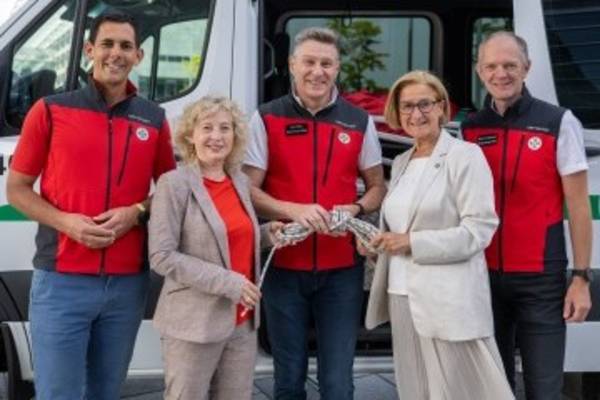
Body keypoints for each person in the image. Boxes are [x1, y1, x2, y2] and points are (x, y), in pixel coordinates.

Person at [5, 10, 176, 399]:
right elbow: (17, 190)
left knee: (106, 393)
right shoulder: (50, 110)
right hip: (61, 282)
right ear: (89, 50)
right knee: (58, 393)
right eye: (107, 44)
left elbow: (171, 191)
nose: (116, 53)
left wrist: (137, 212)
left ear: (138, 56)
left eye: (126, 46)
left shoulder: (154, 119)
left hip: (126, 286)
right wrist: (66, 222)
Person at [243, 27, 386, 400]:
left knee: (338, 383)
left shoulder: (358, 121)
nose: (317, 72)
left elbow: (377, 188)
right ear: (292, 65)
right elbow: (248, 190)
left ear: (337, 68)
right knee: (288, 379)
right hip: (283, 269)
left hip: (342, 271)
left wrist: (355, 208)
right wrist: (292, 210)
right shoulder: (266, 117)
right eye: (309, 62)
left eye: (326, 63)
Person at [364, 70, 513, 400]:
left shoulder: (465, 155)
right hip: (401, 294)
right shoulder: (401, 161)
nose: (416, 114)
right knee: (415, 391)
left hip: (449, 301)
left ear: (442, 107)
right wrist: (377, 245)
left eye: (424, 104)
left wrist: (412, 242)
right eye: (407, 106)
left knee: (462, 393)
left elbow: (479, 231)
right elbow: (400, 226)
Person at [462, 31, 593, 400]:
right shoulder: (470, 128)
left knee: (544, 389)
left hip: (541, 278)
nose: (500, 74)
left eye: (510, 65)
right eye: (491, 66)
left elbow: (579, 206)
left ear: (526, 68)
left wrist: (581, 278)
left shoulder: (558, 121)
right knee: (491, 388)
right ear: (479, 71)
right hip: (482, 275)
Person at [149, 96, 288, 400]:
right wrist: (229, 283)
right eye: (207, 127)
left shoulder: (239, 181)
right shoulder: (173, 184)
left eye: (225, 128)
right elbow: (162, 256)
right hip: (193, 323)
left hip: (242, 322)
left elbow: (229, 238)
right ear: (190, 135)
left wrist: (267, 234)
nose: (217, 136)